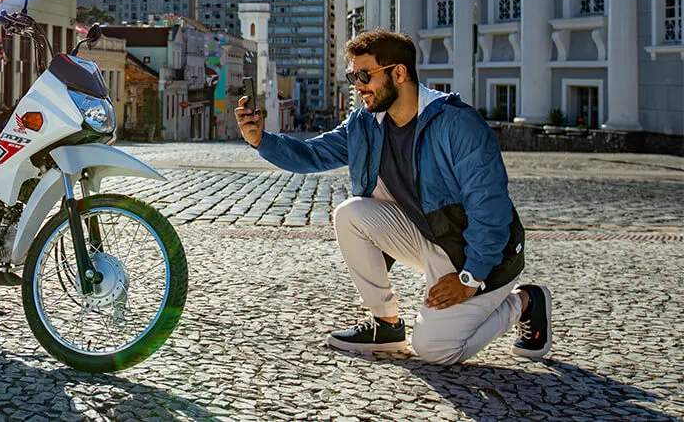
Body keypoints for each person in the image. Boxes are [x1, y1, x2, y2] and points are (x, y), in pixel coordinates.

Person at [235, 29, 551, 364]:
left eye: (364, 76)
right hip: (427, 238)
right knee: (350, 213)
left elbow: (490, 209)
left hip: (479, 254)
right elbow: (312, 154)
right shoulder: (366, 124)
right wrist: (261, 140)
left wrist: (469, 279)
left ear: (398, 73)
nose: (357, 87)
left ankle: (524, 302)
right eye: (352, 77)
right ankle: (385, 324)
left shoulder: (457, 124)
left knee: (435, 350)